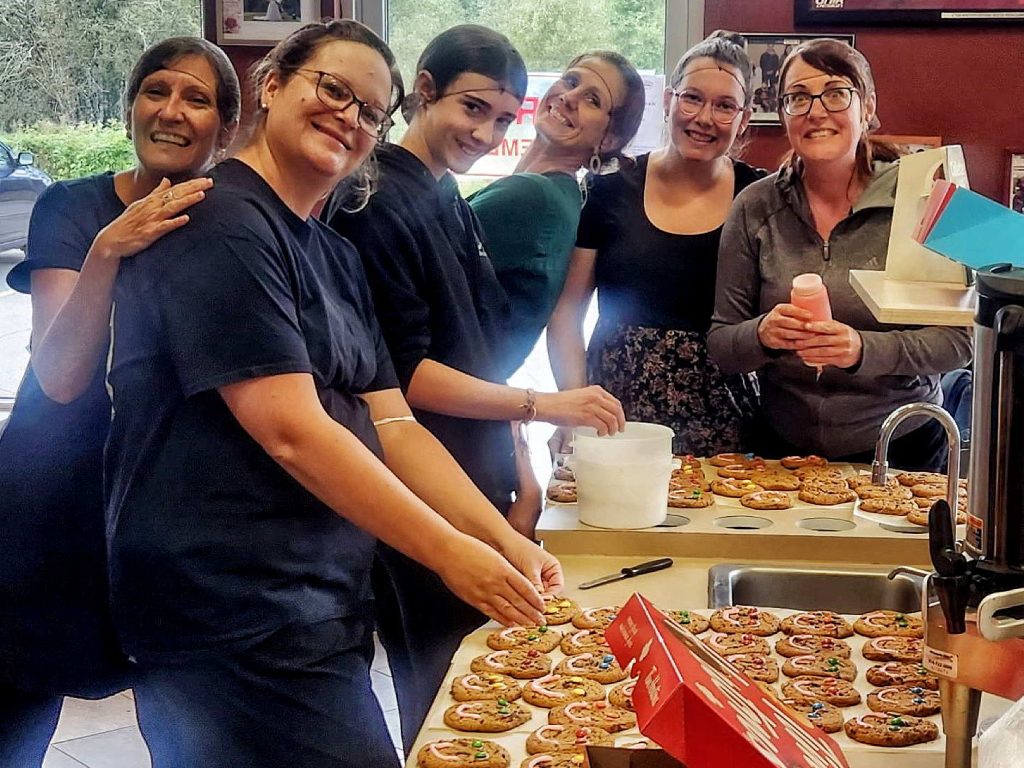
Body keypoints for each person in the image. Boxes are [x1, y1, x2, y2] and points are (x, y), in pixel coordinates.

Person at [105, 21, 560, 768]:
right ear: (274, 84)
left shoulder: (333, 252)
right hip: (226, 612)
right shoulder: (222, 220)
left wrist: (499, 539)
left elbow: (395, 424)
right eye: (333, 90)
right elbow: (290, 430)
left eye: (370, 111)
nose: (350, 117)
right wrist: (448, 553)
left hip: (315, 602)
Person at [324, 24, 624, 752]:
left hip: (473, 473)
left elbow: (478, 350)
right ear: (423, 90)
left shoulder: (446, 193)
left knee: (483, 689)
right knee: (445, 703)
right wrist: (546, 404)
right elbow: (404, 383)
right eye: (473, 109)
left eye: (499, 119)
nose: (485, 132)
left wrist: (516, 464)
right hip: (421, 487)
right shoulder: (375, 204)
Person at [0, 37, 241, 766]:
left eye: (196, 98)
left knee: (186, 728)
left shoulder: (233, 224)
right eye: (155, 91)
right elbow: (63, 376)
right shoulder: (72, 209)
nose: (170, 111)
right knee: (16, 713)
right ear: (131, 104)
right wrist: (107, 251)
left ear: (225, 128)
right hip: (48, 502)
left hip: (165, 515)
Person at [708, 38, 972, 471]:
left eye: (835, 93)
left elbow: (959, 342)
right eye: (797, 98)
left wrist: (860, 349)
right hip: (783, 448)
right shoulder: (755, 207)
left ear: (867, 106)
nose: (815, 111)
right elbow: (722, 344)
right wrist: (763, 335)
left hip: (902, 446)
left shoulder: (928, 198)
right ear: (783, 114)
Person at [546, 31, 763, 457]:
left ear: (745, 117)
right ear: (667, 102)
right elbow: (567, 312)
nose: (704, 117)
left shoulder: (759, 197)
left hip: (726, 426)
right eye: (692, 98)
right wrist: (572, 404)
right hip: (615, 413)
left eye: (724, 106)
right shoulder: (609, 190)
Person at [468, 51, 645, 379]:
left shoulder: (534, 198)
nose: (569, 97)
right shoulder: (561, 196)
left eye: (592, 99)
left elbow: (409, 267)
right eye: (572, 80)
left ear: (609, 139)